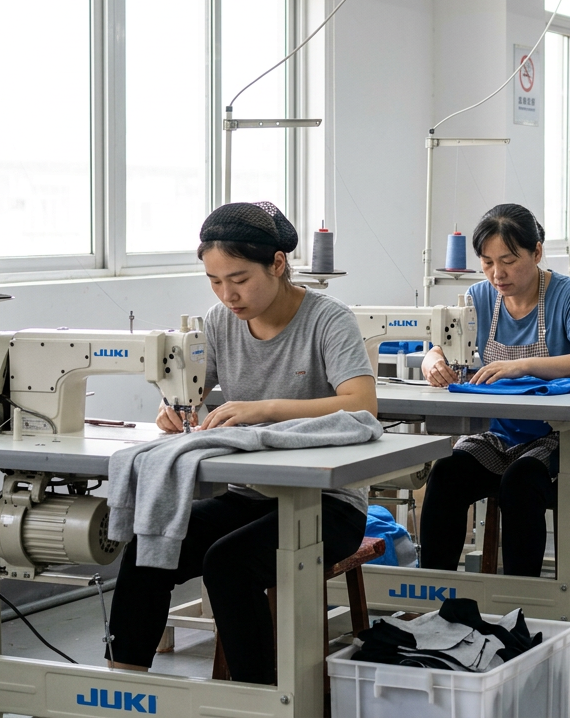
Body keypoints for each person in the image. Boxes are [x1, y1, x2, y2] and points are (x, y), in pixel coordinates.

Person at [107, 202, 378, 685]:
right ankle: (123, 686)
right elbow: (193, 389)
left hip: (328, 504)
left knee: (228, 563)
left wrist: (263, 409)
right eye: (214, 281)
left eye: (238, 279)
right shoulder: (218, 322)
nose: (227, 294)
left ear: (277, 263)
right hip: (250, 495)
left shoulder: (328, 319)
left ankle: (257, 699)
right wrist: (174, 408)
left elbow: (362, 405)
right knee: (149, 545)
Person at [418, 204, 570, 577]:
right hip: (501, 434)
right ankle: (438, 596)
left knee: (521, 482)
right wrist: (432, 359)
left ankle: (524, 602)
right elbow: (444, 344)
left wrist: (520, 365)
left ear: (536, 252)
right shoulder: (479, 297)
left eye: (507, 261)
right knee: (446, 475)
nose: (497, 274)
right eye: (487, 262)